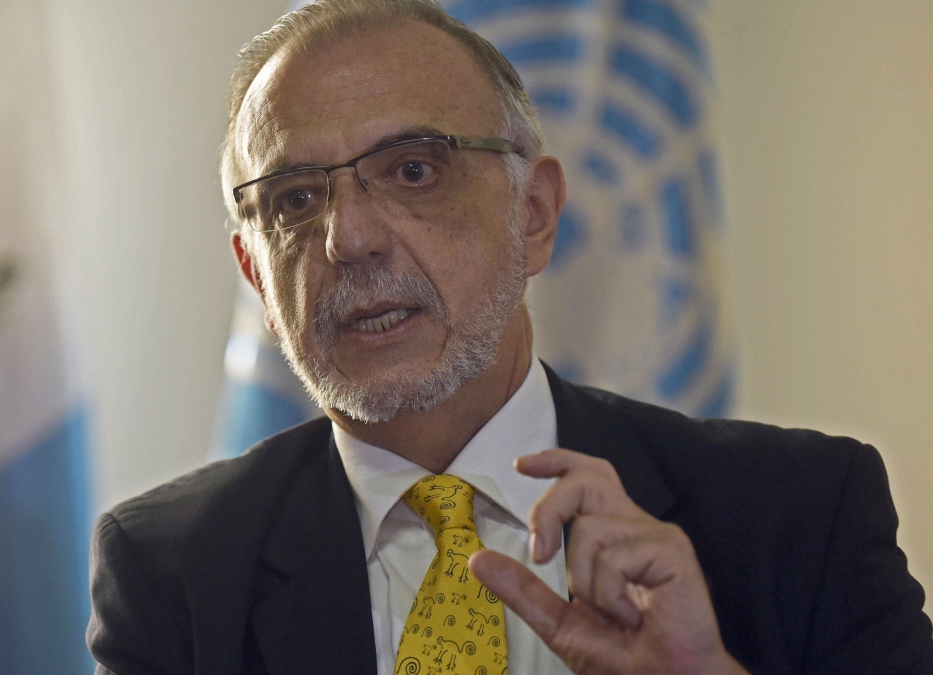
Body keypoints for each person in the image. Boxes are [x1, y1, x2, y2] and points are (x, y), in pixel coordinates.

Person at [86, 1, 933, 673]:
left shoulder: (799, 514)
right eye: (296, 200)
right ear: (257, 278)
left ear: (534, 214)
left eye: (413, 169)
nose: (349, 239)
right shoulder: (172, 570)